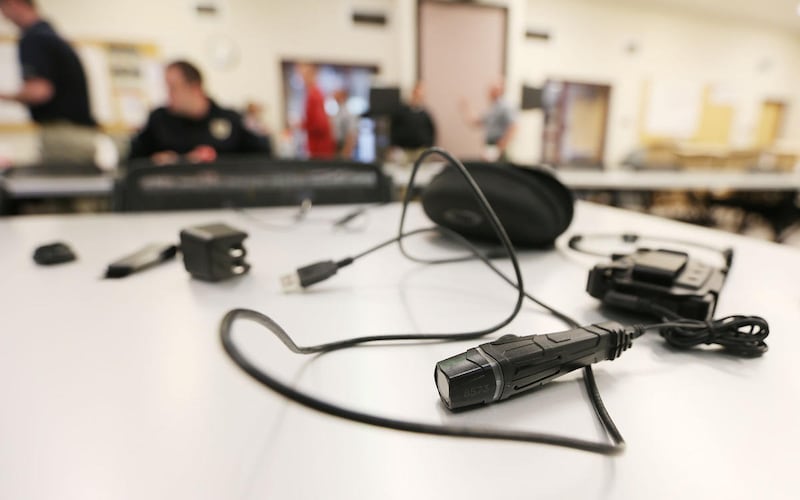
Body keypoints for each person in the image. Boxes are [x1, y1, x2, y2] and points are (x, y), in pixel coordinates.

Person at [0, 0, 98, 165]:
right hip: (80, 134)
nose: (3, 16)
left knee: (60, 188)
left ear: (14, 4)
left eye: (3, 8)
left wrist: (4, 96)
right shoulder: (51, 34)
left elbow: (39, 91)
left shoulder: (34, 38)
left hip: (63, 136)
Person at [129, 60, 271, 165]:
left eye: (173, 88)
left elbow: (263, 156)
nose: (168, 95)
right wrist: (156, 162)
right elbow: (132, 162)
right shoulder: (158, 120)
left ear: (195, 87)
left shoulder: (230, 119)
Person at [459, 79, 517, 161]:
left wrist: (502, 145)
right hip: (489, 145)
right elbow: (476, 122)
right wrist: (466, 108)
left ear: (500, 91)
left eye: (493, 89)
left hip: (498, 145)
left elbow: (514, 126)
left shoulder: (505, 106)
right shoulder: (492, 108)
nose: (490, 92)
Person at [297, 63, 335, 159]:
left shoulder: (314, 94)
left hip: (319, 146)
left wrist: (302, 125)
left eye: (304, 75)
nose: (302, 78)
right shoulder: (312, 93)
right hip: (316, 145)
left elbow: (320, 124)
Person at [390, 81, 436, 161]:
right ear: (413, 94)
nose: (418, 97)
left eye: (421, 95)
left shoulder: (425, 114)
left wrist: (429, 146)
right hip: (404, 150)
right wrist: (393, 145)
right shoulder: (401, 111)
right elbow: (393, 128)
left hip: (420, 150)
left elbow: (432, 131)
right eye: (417, 94)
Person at [331, 89, 358, 159]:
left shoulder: (348, 113)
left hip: (344, 147)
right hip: (337, 146)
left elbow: (351, 134)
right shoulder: (339, 110)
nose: (334, 95)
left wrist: (345, 153)